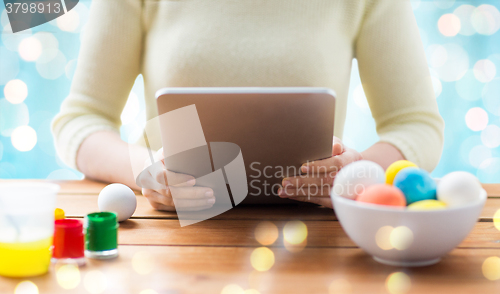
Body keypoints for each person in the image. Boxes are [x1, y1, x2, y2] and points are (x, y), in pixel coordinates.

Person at [52, 0, 444, 211]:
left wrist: (355, 171)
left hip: (316, 240)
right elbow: (81, 120)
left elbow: (416, 125)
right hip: (170, 237)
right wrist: (146, 171)